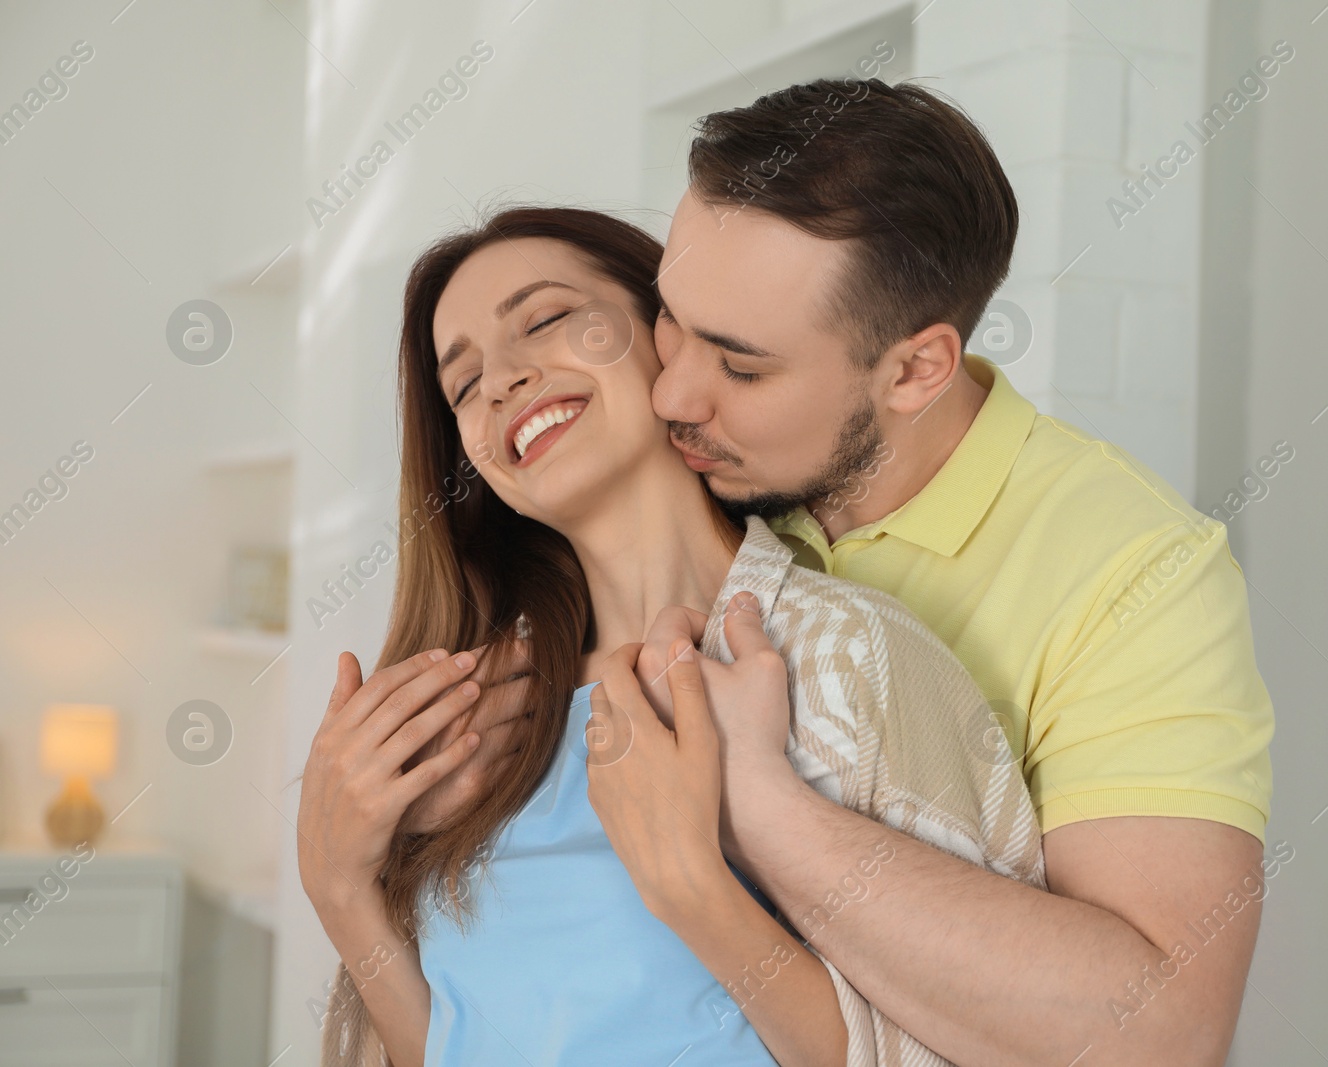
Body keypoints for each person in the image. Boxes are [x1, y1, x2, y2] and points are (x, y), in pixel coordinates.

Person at [427, 77, 1278, 1065]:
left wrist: (758, 809)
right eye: (671, 319)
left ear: (916, 370)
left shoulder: (1133, 573)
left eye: (741, 367)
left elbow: (1160, 1034)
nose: (674, 388)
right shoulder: (692, 481)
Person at [295, 206, 1044, 1067]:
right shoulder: (479, 730)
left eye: (542, 320)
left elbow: (980, 1045)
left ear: (670, 340)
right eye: (463, 386)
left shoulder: (846, 658)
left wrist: (693, 886)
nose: (500, 381)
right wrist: (339, 888)